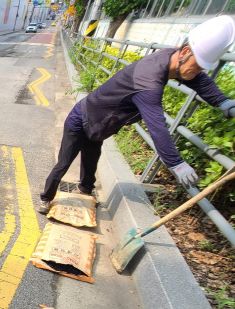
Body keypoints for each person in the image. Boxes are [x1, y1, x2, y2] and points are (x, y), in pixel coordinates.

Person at [39, 15, 235, 214]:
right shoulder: (148, 83)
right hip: (81, 119)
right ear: (184, 51)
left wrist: (223, 102)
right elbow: (157, 126)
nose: (199, 72)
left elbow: (199, 80)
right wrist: (176, 163)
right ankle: (45, 198)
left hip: (101, 123)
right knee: (64, 163)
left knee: (91, 161)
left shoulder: (171, 58)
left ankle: (85, 191)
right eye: (199, 66)